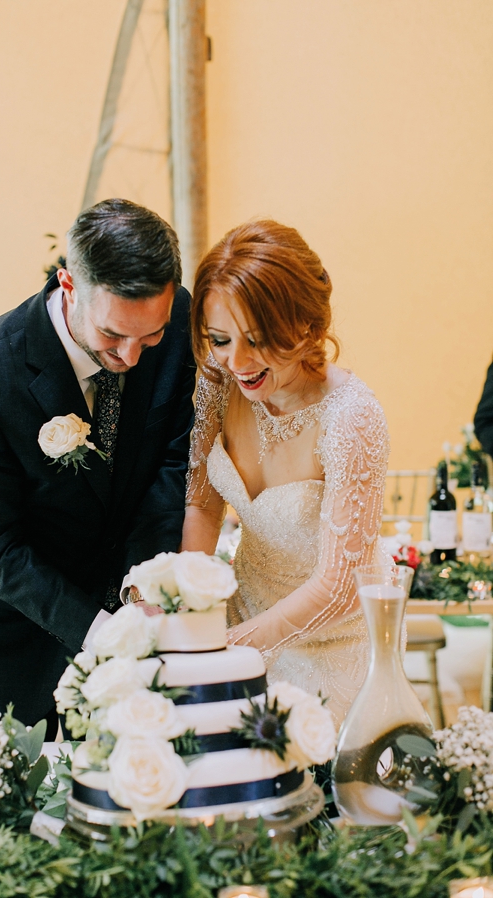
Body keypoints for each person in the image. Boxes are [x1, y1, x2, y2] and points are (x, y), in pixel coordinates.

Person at [0, 198, 196, 729]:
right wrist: (102, 633)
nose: (132, 356)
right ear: (69, 286)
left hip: (141, 634)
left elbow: (171, 464)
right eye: (112, 335)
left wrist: (143, 591)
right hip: (17, 652)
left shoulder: (178, 317)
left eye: (152, 336)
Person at [181, 219, 388, 725]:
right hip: (240, 608)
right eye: (220, 339)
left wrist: (230, 649)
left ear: (308, 326)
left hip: (331, 639)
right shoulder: (218, 379)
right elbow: (203, 501)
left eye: (258, 339)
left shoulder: (351, 417)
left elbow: (339, 586)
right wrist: (185, 604)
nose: (238, 361)